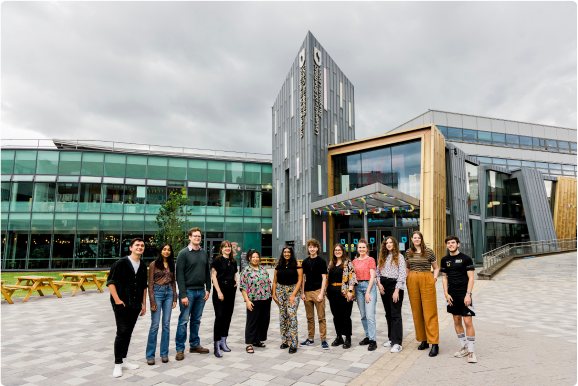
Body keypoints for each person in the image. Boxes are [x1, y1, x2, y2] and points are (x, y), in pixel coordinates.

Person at [107, 238, 148, 378]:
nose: (140, 247)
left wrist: (144, 304)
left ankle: (123, 360)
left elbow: (144, 287)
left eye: (142, 246)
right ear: (130, 247)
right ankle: (117, 364)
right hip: (122, 304)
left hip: (135, 305)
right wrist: (117, 300)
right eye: (137, 245)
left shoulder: (143, 265)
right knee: (122, 332)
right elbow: (111, 282)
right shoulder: (120, 263)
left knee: (129, 332)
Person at [175, 227, 212, 360]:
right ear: (189, 237)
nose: (197, 238)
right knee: (183, 320)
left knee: (196, 320)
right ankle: (180, 349)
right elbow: (179, 276)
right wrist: (183, 294)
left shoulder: (203, 253)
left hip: (201, 291)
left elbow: (207, 272)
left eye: (199, 236)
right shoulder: (183, 254)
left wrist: (208, 288)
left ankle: (194, 345)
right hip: (188, 292)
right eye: (194, 236)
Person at [441, 236, 477, 364]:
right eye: (448, 243)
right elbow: (444, 278)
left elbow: (471, 278)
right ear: (446, 246)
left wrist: (468, 294)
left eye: (453, 243)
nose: (450, 245)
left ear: (458, 244)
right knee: (456, 321)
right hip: (452, 294)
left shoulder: (466, 258)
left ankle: (471, 352)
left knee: (467, 322)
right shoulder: (444, 260)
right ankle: (464, 348)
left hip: (464, 294)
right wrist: (446, 294)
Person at [406, 230, 440, 357]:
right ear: (412, 239)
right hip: (412, 280)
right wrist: (407, 278)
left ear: (421, 239)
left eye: (418, 238)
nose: (416, 240)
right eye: (414, 238)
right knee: (417, 311)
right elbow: (407, 267)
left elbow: (436, 268)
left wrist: (434, 279)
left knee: (430, 311)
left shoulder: (429, 251)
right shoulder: (408, 252)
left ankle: (434, 343)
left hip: (426, 279)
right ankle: (423, 340)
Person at [146, 243, 177, 365]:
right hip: (157, 293)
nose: (167, 251)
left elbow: (173, 281)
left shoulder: (171, 264)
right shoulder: (153, 264)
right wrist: (152, 300)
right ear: (160, 251)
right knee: (155, 325)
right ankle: (150, 355)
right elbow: (150, 284)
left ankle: (164, 353)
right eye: (164, 249)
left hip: (169, 293)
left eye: (169, 250)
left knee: (166, 325)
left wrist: (175, 297)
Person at [376, 237, 407, 354]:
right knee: (388, 313)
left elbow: (402, 274)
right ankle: (391, 338)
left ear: (394, 244)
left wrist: (397, 290)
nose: (388, 245)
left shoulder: (399, 257)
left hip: (395, 286)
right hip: (384, 285)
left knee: (395, 314)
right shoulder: (382, 257)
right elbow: (377, 272)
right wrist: (379, 284)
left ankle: (398, 342)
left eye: (390, 243)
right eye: (386, 243)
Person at [324, 243, 357, 349]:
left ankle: (348, 338)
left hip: (344, 292)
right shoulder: (331, 263)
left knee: (345, 315)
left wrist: (350, 291)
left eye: (339, 250)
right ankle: (339, 337)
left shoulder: (348, 263)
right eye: (335, 250)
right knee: (336, 315)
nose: (337, 251)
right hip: (332, 292)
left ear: (343, 251)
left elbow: (352, 278)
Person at [240, 248, 272, 354]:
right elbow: (243, 287)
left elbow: (268, 282)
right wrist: (247, 301)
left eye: (257, 257)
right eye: (253, 257)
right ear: (249, 258)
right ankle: (249, 343)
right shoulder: (246, 271)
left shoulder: (263, 269)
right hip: (254, 300)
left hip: (266, 299)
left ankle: (257, 340)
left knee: (263, 320)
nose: (255, 259)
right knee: (252, 321)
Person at [272, 247, 303, 354]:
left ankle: (294, 343)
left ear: (291, 253)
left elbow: (300, 280)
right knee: (282, 316)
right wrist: (273, 294)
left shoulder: (297, 264)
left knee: (292, 315)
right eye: (285, 252)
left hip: (292, 291)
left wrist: (293, 294)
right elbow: (275, 282)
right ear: (282, 253)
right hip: (280, 292)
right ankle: (285, 340)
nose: (286, 254)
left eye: (288, 252)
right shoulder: (278, 265)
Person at [210, 240, 238, 358]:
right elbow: (213, 276)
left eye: (229, 247)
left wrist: (236, 281)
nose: (227, 248)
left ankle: (223, 342)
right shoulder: (217, 261)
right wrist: (219, 292)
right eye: (225, 247)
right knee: (220, 317)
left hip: (231, 291)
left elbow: (235, 273)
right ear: (221, 249)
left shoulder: (233, 261)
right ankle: (216, 346)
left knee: (228, 317)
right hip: (220, 290)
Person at [300, 239, 329, 350]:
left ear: (317, 248)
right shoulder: (305, 262)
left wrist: (322, 293)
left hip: (318, 291)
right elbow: (303, 278)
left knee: (321, 317)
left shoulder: (322, 261)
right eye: (310, 247)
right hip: (307, 292)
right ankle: (310, 338)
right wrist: (302, 293)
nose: (312, 249)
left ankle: (323, 339)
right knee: (309, 318)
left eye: (314, 247)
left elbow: (324, 278)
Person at [352, 239, 378, 351]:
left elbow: (373, 277)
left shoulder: (370, 260)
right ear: (357, 249)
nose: (361, 249)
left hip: (369, 287)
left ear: (367, 249)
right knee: (363, 315)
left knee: (370, 315)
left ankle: (373, 340)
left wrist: (367, 291)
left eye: (363, 247)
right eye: (360, 247)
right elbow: (352, 277)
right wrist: (353, 292)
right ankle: (367, 336)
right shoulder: (354, 261)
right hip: (358, 288)